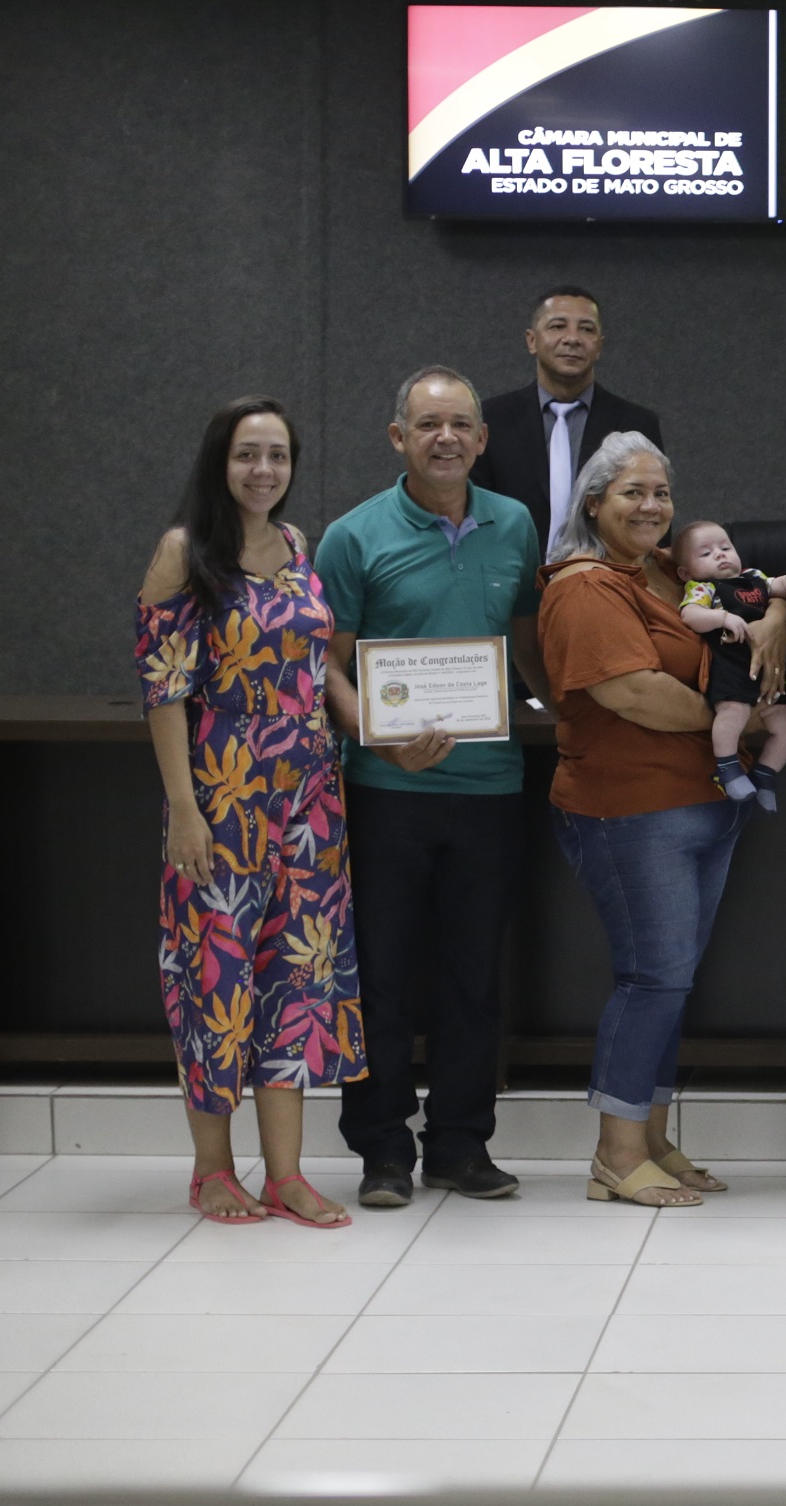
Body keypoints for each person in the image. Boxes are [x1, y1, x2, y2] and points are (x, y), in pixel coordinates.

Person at [317, 366, 549, 1208]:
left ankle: (460, 1143)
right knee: (380, 976)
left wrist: (575, 707)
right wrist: (374, 733)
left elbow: (524, 645)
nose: (445, 438)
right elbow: (328, 667)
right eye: (427, 425)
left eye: (460, 425)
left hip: (489, 787)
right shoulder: (352, 536)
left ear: (482, 441)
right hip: (387, 792)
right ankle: (381, 1150)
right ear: (398, 438)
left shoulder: (515, 523)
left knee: (473, 977)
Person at [137, 397, 362, 1228]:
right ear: (218, 461)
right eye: (246, 455)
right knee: (215, 981)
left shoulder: (299, 545)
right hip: (222, 796)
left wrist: (376, 724)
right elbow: (164, 691)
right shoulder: (183, 550)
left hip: (309, 799)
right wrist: (184, 810)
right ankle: (210, 1170)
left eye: (277, 455)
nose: (263, 471)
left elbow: (315, 666)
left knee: (297, 981)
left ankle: (288, 1174)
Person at [536, 432, 742, 1210]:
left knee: (672, 982)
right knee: (652, 976)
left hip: (700, 804)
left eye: (661, 492)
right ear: (594, 503)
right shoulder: (585, 586)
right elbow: (632, 693)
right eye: (632, 492)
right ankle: (616, 1155)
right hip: (628, 811)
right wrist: (739, 724)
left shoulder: (660, 573)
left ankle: (652, 1138)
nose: (652, 506)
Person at [470, 285, 663, 546]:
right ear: (531, 340)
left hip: (605, 581)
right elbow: (472, 514)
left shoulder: (636, 424)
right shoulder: (490, 419)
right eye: (558, 326)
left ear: (599, 346)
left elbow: (654, 521)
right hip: (512, 579)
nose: (572, 338)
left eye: (586, 329)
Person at [671, 520, 786, 808]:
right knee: (733, 712)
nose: (719, 554)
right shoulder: (703, 587)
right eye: (705, 553)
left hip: (767, 669)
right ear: (685, 572)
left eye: (725, 547)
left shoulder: (754, 576)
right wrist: (722, 618)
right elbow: (690, 615)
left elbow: (779, 585)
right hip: (729, 666)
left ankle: (766, 772)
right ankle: (728, 767)